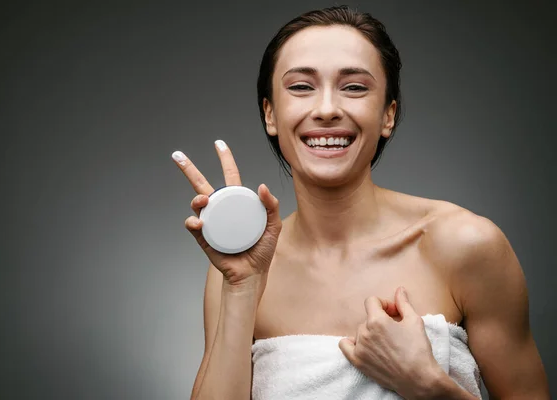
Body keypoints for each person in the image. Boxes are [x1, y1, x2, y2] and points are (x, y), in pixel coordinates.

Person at [172, 5, 550, 399]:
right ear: (270, 113)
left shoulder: (467, 245)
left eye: (354, 87)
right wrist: (241, 288)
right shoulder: (236, 270)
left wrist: (428, 386)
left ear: (388, 115)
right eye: (301, 86)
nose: (327, 109)